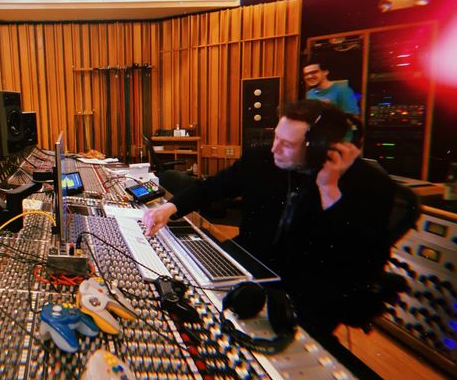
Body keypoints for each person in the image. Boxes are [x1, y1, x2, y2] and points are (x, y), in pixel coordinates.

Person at [143, 100, 397, 336]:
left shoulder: (370, 186)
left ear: (321, 149)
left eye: (287, 144)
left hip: (308, 292)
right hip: (248, 262)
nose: (275, 148)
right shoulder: (261, 159)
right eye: (276, 137)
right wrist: (170, 208)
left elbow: (358, 265)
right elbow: (211, 187)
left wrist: (329, 191)